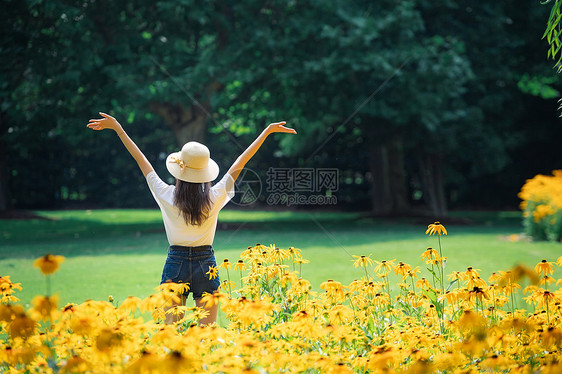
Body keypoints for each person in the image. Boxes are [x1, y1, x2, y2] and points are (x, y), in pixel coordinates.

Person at [87, 112, 296, 325]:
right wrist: (266, 132)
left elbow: (141, 159)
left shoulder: (166, 194)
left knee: (172, 333)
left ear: (178, 171)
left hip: (175, 262)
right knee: (208, 337)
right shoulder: (215, 196)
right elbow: (240, 162)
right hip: (207, 263)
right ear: (205, 172)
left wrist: (118, 129)